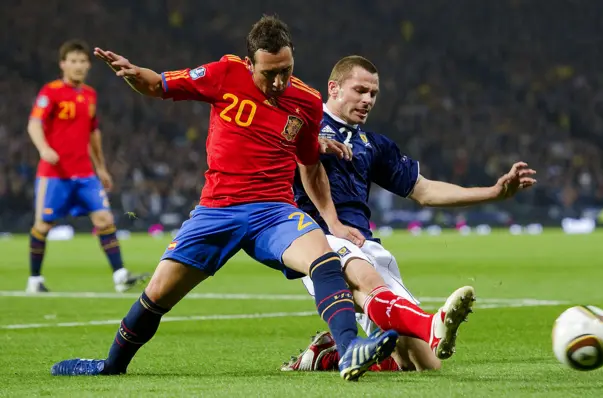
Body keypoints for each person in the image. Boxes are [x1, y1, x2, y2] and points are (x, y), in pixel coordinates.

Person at [50, 17, 398, 382]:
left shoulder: (307, 102)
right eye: (269, 73)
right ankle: (111, 365)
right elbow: (157, 84)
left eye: (286, 70)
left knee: (325, 261)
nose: (279, 82)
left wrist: (333, 222)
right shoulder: (224, 73)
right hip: (217, 210)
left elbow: (310, 166)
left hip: (274, 212)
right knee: (155, 297)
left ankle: (349, 349)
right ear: (249, 64)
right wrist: (135, 74)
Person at [281, 55, 537, 372]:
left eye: (373, 94)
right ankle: (430, 324)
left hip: (364, 242)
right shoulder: (301, 123)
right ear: (333, 88)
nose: (367, 100)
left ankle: (329, 355)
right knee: (366, 281)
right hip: (317, 238)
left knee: (423, 365)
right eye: (360, 90)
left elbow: (425, 191)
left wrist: (494, 192)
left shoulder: (373, 145)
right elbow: (269, 144)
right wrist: (308, 143)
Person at [26, 39, 148, 293]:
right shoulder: (51, 92)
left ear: (89, 66)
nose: (79, 66)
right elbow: (34, 124)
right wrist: (44, 149)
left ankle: (120, 275)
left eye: (83, 61)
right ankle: (34, 279)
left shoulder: (89, 95)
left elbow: (93, 134)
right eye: (73, 61)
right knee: (43, 226)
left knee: (104, 219)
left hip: (84, 173)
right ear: (63, 64)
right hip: (55, 174)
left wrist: (101, 167)